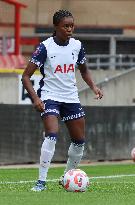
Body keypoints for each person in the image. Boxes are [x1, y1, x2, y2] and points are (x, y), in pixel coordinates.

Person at [22, 9, 103, 192]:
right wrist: (35, 98)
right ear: (56, 27)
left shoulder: (77, 46)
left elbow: (83, 70)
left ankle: (66, 178)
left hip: (70, 97)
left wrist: (93, 87)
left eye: (72, 25)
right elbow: (26, 76)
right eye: (66, 26)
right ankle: (41, 182)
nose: (70, 29)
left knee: (79, 140)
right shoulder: (45, 47)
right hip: (50, 95)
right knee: (52, 133)